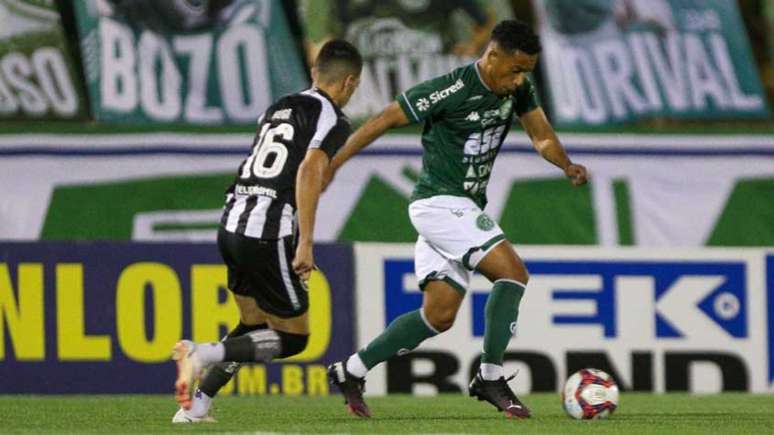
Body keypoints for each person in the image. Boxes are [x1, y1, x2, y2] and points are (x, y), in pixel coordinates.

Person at [326, 19, 587, 419]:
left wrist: (565, 165)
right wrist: (335, 161)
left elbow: (542, 137)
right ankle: (490, 375)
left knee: (438, 316)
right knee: (512, 273)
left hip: (461, 208)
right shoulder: (452, 88)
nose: (519, 80)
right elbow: (383, 119)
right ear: (493, 55)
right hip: (439, 203)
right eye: (515, 70)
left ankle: (351, 370)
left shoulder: (519, 90)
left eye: (526, 73)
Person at [170, 39, 362, 423]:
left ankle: (196, 406)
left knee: (253, 327)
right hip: (267, 230)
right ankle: (201, 353)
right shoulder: (333, 120)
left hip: (232, 221)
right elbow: (309, 170)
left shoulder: (279, 106)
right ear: (350, 83)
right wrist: (305, 241)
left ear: (314, 73)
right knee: (292, 338)